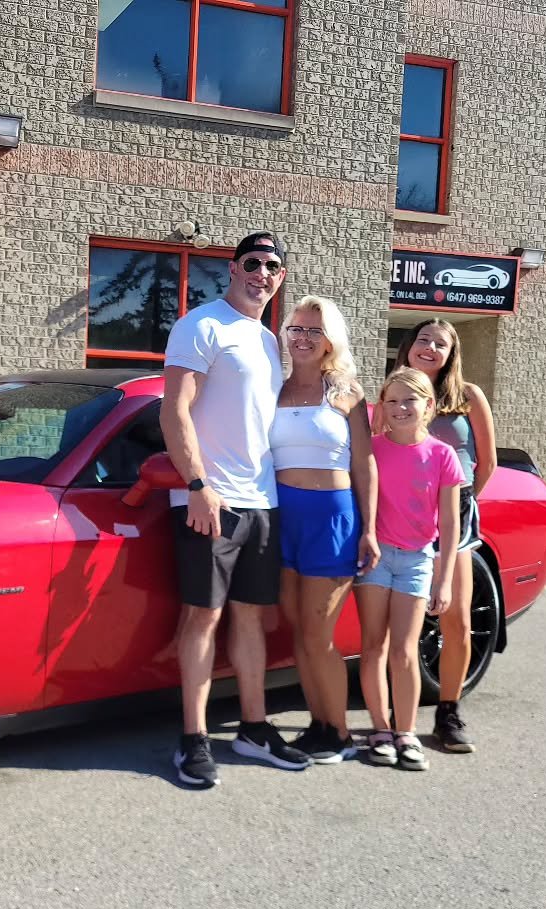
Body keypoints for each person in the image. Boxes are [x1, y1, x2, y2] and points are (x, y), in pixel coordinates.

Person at [162, 231, 305, 788]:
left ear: (280, 277)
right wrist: (196, 484)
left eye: (272, 266)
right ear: (232, 267)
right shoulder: (202, 325)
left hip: (261, 500)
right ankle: (193, 739)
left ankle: (253, 727)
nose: (262, 272)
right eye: (252, 262)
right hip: (210, 500)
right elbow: (175, 412)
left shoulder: (269, 341)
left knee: (252, 616)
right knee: (203, 618)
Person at [270, 296, 379, 764]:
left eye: (314, 331)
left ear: (330, 340)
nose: (303, 337)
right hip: (281, 514)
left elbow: (364, 463)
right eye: (296, 328)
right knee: (298, 630)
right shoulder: (271, 389)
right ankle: (318, 725)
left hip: (331, 517)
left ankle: (339, 734)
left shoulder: (348, 394)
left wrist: (369, 529)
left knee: (319, 632)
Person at [387, 319, 496, 752]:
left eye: (441, 343)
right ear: (409, 346)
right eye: (423, 340)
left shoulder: (469, 397)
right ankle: (401, 716)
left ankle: (448, 712)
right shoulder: (393, 392)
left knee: (457, 620)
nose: (430, 348)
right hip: (402, 518)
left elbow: (485, 463)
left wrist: (459, 503)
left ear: (452, 354)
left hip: (455, 513)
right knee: (404, 625)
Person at [356, 367, 462, 771]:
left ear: (429, 405)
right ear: (381, 406)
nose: (400, 408)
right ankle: (381, 730)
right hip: (376, 559)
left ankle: (407, 732)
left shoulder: (442, 455)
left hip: (417, 560)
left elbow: (451, 524)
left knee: (404, 650)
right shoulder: (372, 449)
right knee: (373, 647)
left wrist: (444, 577)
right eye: (392, 400)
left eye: (410, 400)